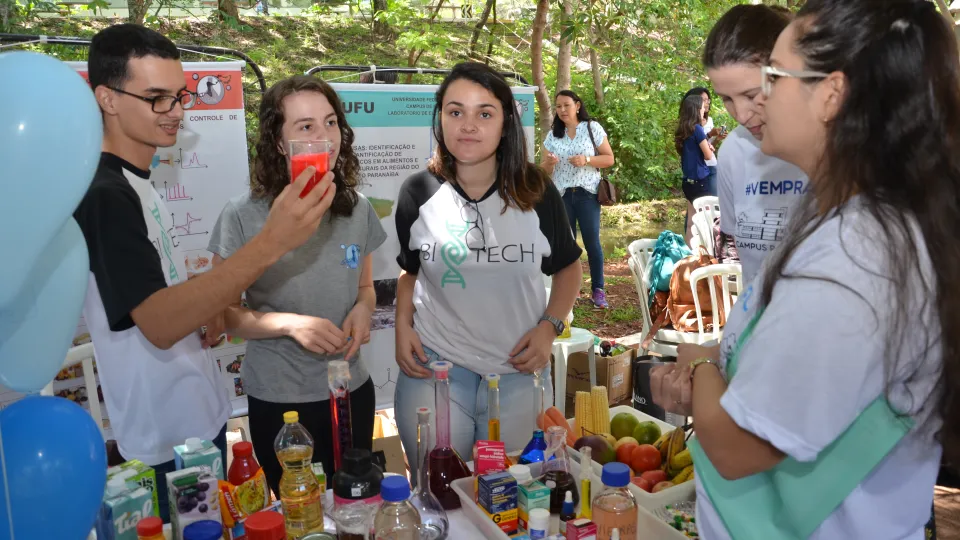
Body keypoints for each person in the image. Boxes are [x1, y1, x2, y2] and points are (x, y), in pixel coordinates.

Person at [651, 1, 959, 537]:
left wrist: (701, 365)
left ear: (832, 94)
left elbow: (737, 447)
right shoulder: (854, 219)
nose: (756, 103)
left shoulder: (854, 263)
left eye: (773, 76)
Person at [74, 24, 335, 522]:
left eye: (178, 96)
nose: (174, 112)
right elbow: (158, 322)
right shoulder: (106, 195)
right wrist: (271, 243)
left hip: (196, 414)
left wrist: (210, 307)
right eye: (156, 99)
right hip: (161, 440)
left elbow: (160, 299)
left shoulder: (138, 182)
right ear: (106, 98)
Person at [393, 63, 583, 483]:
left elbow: (569, 267)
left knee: (516, 493)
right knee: (436, 492)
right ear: (440, 118)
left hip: (519, 370)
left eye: (485, 113)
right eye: (455, 111)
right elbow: (411, 273)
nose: (468, 126)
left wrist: (550, 326)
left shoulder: (535, 190)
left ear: (505, 123)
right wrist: (402, 326)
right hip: (436, 368)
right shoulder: (417, 192)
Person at [207, 75, 386, 497]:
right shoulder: (243, 215)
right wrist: (290, 324)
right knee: (298, 512)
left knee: (353, 503)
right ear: (279, 142)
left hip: (350, 390)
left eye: (330, 123)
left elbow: (365, 289)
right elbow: (222, 315)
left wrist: (363, 311)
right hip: (280, 399)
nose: (324, 138)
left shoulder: (356, 208)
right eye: (305, 127)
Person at [701, 4, 807, 283]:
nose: (742, 115)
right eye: (727, 99)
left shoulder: (838, 152)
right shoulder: (734, 151)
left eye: (752, 94)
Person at [541, 90, 615, 309]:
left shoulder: (592, 128)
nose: (562, 110)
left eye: (566, 105)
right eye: (558, 107)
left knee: (592, 243)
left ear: (577, 105)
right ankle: (567, 294)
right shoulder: (553, 135)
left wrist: (587, 159)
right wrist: (549, 164)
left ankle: (598, 291)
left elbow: (609, 158)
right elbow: (543, 170)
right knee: (565, 245)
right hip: (561, 195)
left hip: (587, 194)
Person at [675, 94, 715, 244]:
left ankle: (689, 256)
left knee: (691, 222)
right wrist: (709, 148)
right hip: (700, 183)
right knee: (707, 222)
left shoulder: (682, 130)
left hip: (688, 183)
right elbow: (708, 156)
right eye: (701, 108)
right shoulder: (697, 129)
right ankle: (708, 256)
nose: (703, 110)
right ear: (695, 110)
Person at [683, 87, 725, 195]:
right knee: (707, 205)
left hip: (710, 166)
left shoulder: (708, 120)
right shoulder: (692, 125)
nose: (706, 103)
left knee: (703, 204)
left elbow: (707, 146)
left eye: (708, 100)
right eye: (703, 100)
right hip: (700, 170)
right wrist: (710, 134)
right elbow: (699, 149)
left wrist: (716, 139)